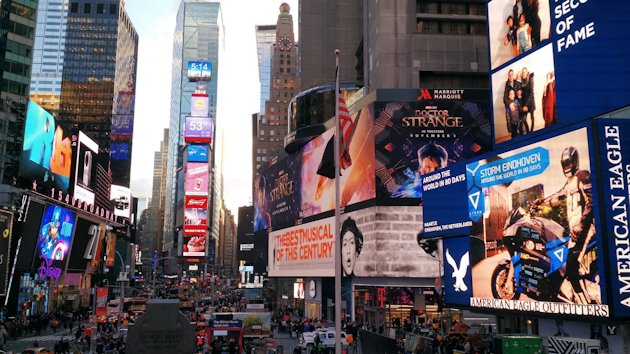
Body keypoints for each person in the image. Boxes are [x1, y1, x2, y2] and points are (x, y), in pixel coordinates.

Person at [536, 147, 595, 305]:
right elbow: (557, 195)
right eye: (564, 164)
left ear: (575, 162)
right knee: (568, 266)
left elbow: (591, 201)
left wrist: (581, 226)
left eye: (569, 163)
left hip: (586, 228)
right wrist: (540, 201)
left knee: (571, 269)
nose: (567, 167)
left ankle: (585, 305)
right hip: (577, 231)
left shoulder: (582, 175)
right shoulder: (569, 183)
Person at [520, 67, 536, 132]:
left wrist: (526, 105)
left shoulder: (530, 78)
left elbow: (531, 93)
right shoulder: (521, 80)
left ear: (527, 72)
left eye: (524, 72)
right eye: (522, 72)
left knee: (532, 117)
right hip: (524, 103)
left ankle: (531, 131)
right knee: (524, 119)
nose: (523, 73)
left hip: (530, 102)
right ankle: (528, 131)